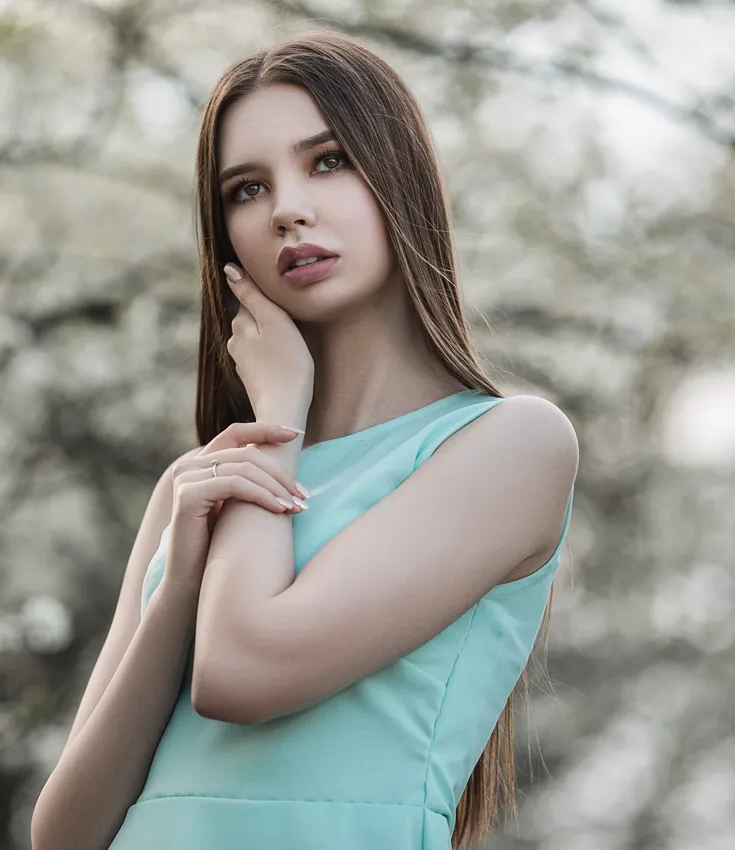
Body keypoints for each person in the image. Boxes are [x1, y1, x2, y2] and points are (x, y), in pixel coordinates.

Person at [30, 29, 579, 850]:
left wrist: (278, 400)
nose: (286, 208)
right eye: (246, 190)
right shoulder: (200, 481)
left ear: (400, 177)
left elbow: (241, 674)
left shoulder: (513, 445)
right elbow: (65, 833)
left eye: (327, 161)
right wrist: (180, 583)